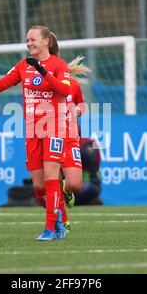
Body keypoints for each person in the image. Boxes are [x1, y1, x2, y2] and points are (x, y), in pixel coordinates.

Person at [0, 25, 71, 241]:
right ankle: (58, 220)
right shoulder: (23, 65)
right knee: (39, 187)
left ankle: (50, 229)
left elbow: (65, 90)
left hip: (54, 126)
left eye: (32, 39)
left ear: (46, 41)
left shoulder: (59, 65)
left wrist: (42, 70)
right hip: (31, 129)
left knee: (51, 178)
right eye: (27, 40)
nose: (29, 43)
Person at [59, 56, 90, 232]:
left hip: (70, 137)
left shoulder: (72, 85)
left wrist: (76, 111)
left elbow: (81, 104)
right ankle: (63, 220)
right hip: (49, 136)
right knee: (51, 179)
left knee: (75, 184)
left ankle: (67, 189)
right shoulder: (43, 85)